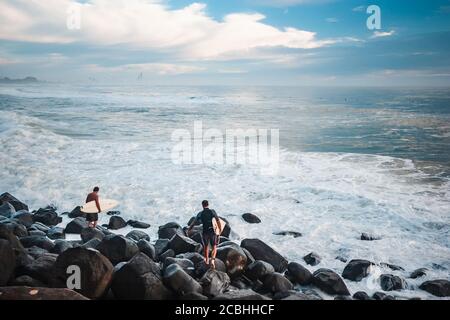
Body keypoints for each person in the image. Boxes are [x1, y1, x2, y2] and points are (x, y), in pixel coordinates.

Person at [187, 200, 222, 268]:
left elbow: (194, 222)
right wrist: (219, 229)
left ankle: (206, 260)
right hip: (212, 231)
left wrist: (189, 229)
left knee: (206, 247)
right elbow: (218, 220)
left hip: (205, 232)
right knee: (214, 246)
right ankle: (212, 260)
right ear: (208, 204)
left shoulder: (200, 213)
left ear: (202, 205)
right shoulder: (212, 211)